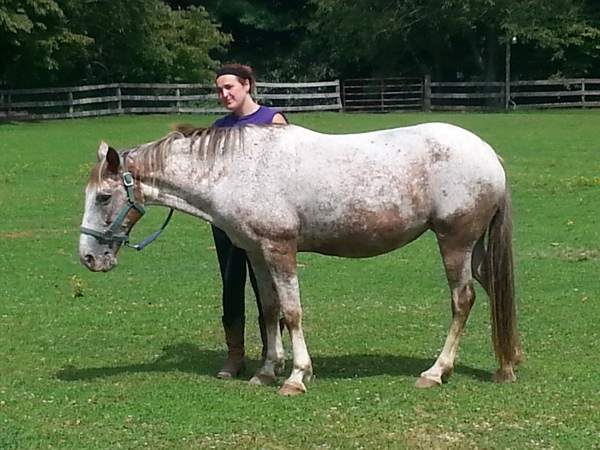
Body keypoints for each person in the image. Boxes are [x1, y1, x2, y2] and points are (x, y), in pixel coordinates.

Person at [211, 63, 288, 379]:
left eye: (229, 87)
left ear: (247, 85)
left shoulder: (273, 120)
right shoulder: (219, 128)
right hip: (226, 222)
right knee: (231, 286)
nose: (224, 94)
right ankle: (235, 355)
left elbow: (285, 173)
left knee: (266, 286)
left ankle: (272, 351)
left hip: (264, 223)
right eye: (219, 90)